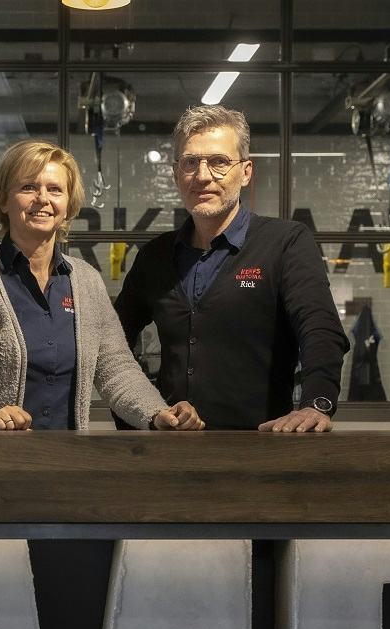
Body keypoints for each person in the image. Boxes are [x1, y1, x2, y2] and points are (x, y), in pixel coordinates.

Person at [0, 139, 203, 432]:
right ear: (4, 200)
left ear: (68, 204)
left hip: (63, 467)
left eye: (55, 189)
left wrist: (158, 413)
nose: (42, 199)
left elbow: (118, 371)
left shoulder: (86, 282)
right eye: (28, 187)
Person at [114, 105, 349, 432]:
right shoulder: (156, 255)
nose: (203, 176)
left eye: (220, 162)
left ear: (247, 171)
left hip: (258, 452)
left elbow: (320, 328)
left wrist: (317, 403)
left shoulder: (285, 243)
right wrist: (144, 412)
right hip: (167, 455)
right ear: (175, 172)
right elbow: (113, 344)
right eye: (190, 162)